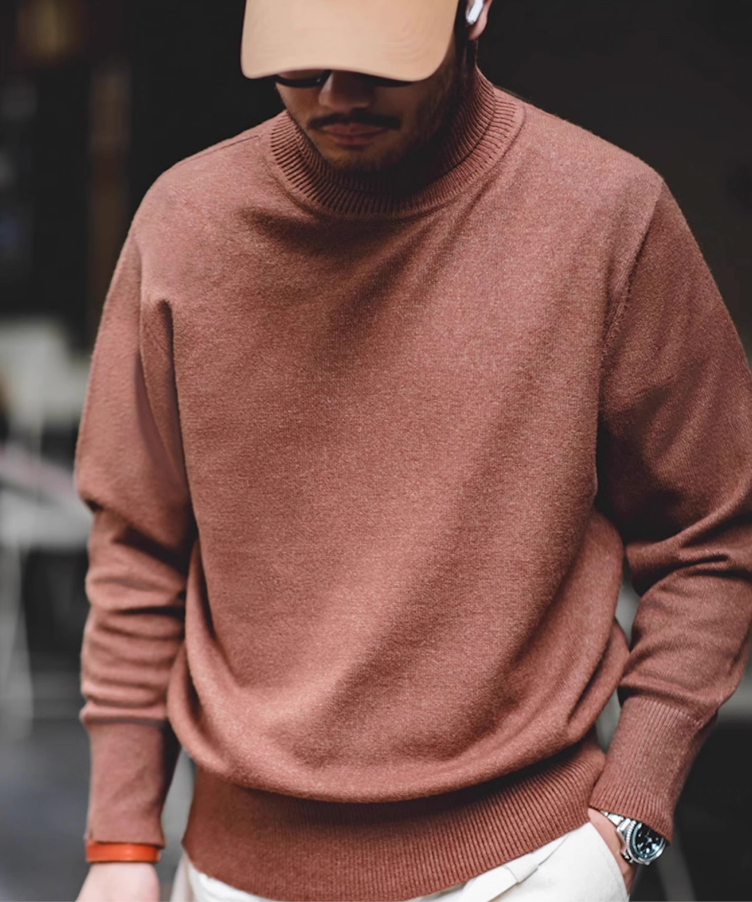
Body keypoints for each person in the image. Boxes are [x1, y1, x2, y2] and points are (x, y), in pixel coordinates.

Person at [74, 0, 752, 900]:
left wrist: (629, 823)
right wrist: (120, 849)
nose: (336, 93)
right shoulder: (186, 226)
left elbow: (714, 539)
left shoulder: (605, 214)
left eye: (379, 60)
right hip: (238, 872)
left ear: (472, 13)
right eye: (303, 63)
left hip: (533, 864)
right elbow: (138, 548)